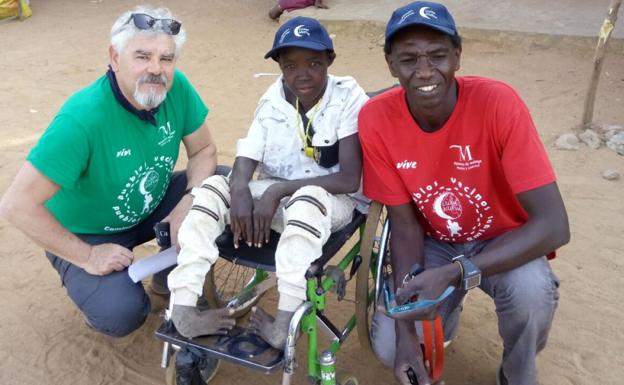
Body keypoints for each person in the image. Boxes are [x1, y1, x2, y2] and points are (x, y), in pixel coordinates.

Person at [357, 2, 570, 385]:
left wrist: (457, 273)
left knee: (531, 297)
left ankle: (516, 371)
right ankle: (440, 321)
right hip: (434, 242)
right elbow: (404, 227)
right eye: (408, 59)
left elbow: (554, 226)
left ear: (457, 55)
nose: (424, 71)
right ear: (390, 64)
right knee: (390, 347)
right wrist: (407, 333)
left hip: (506, 240)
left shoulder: (498, 103)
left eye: (438, 56)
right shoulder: (376, 118)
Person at [0, 5, 218, 338]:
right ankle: (94, 285)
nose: (156, 70)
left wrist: (190, 200)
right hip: (88, 231)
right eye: (142, 56)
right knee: (121, 313)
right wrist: (86, 255)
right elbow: (16, 205)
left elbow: (203, 150)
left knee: (219, 187)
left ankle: (167, 275)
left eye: (166, 58)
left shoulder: (178, 89)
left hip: (151, 209)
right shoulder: (82, 118)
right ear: (114, 58)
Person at [166, 16, 369, 349]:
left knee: (306, 199)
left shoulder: (347, 97)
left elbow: (348, 178)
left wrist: (276, 191)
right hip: (275, 192)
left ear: (330, 61)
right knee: (212, 190)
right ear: (279, 66)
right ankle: (185, 306)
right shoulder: (274, 98)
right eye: (290, 66)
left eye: (314, 63)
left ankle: (285, 321)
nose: (302, 74)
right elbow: (247, 156)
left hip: (329, 200)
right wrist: (240, 188)